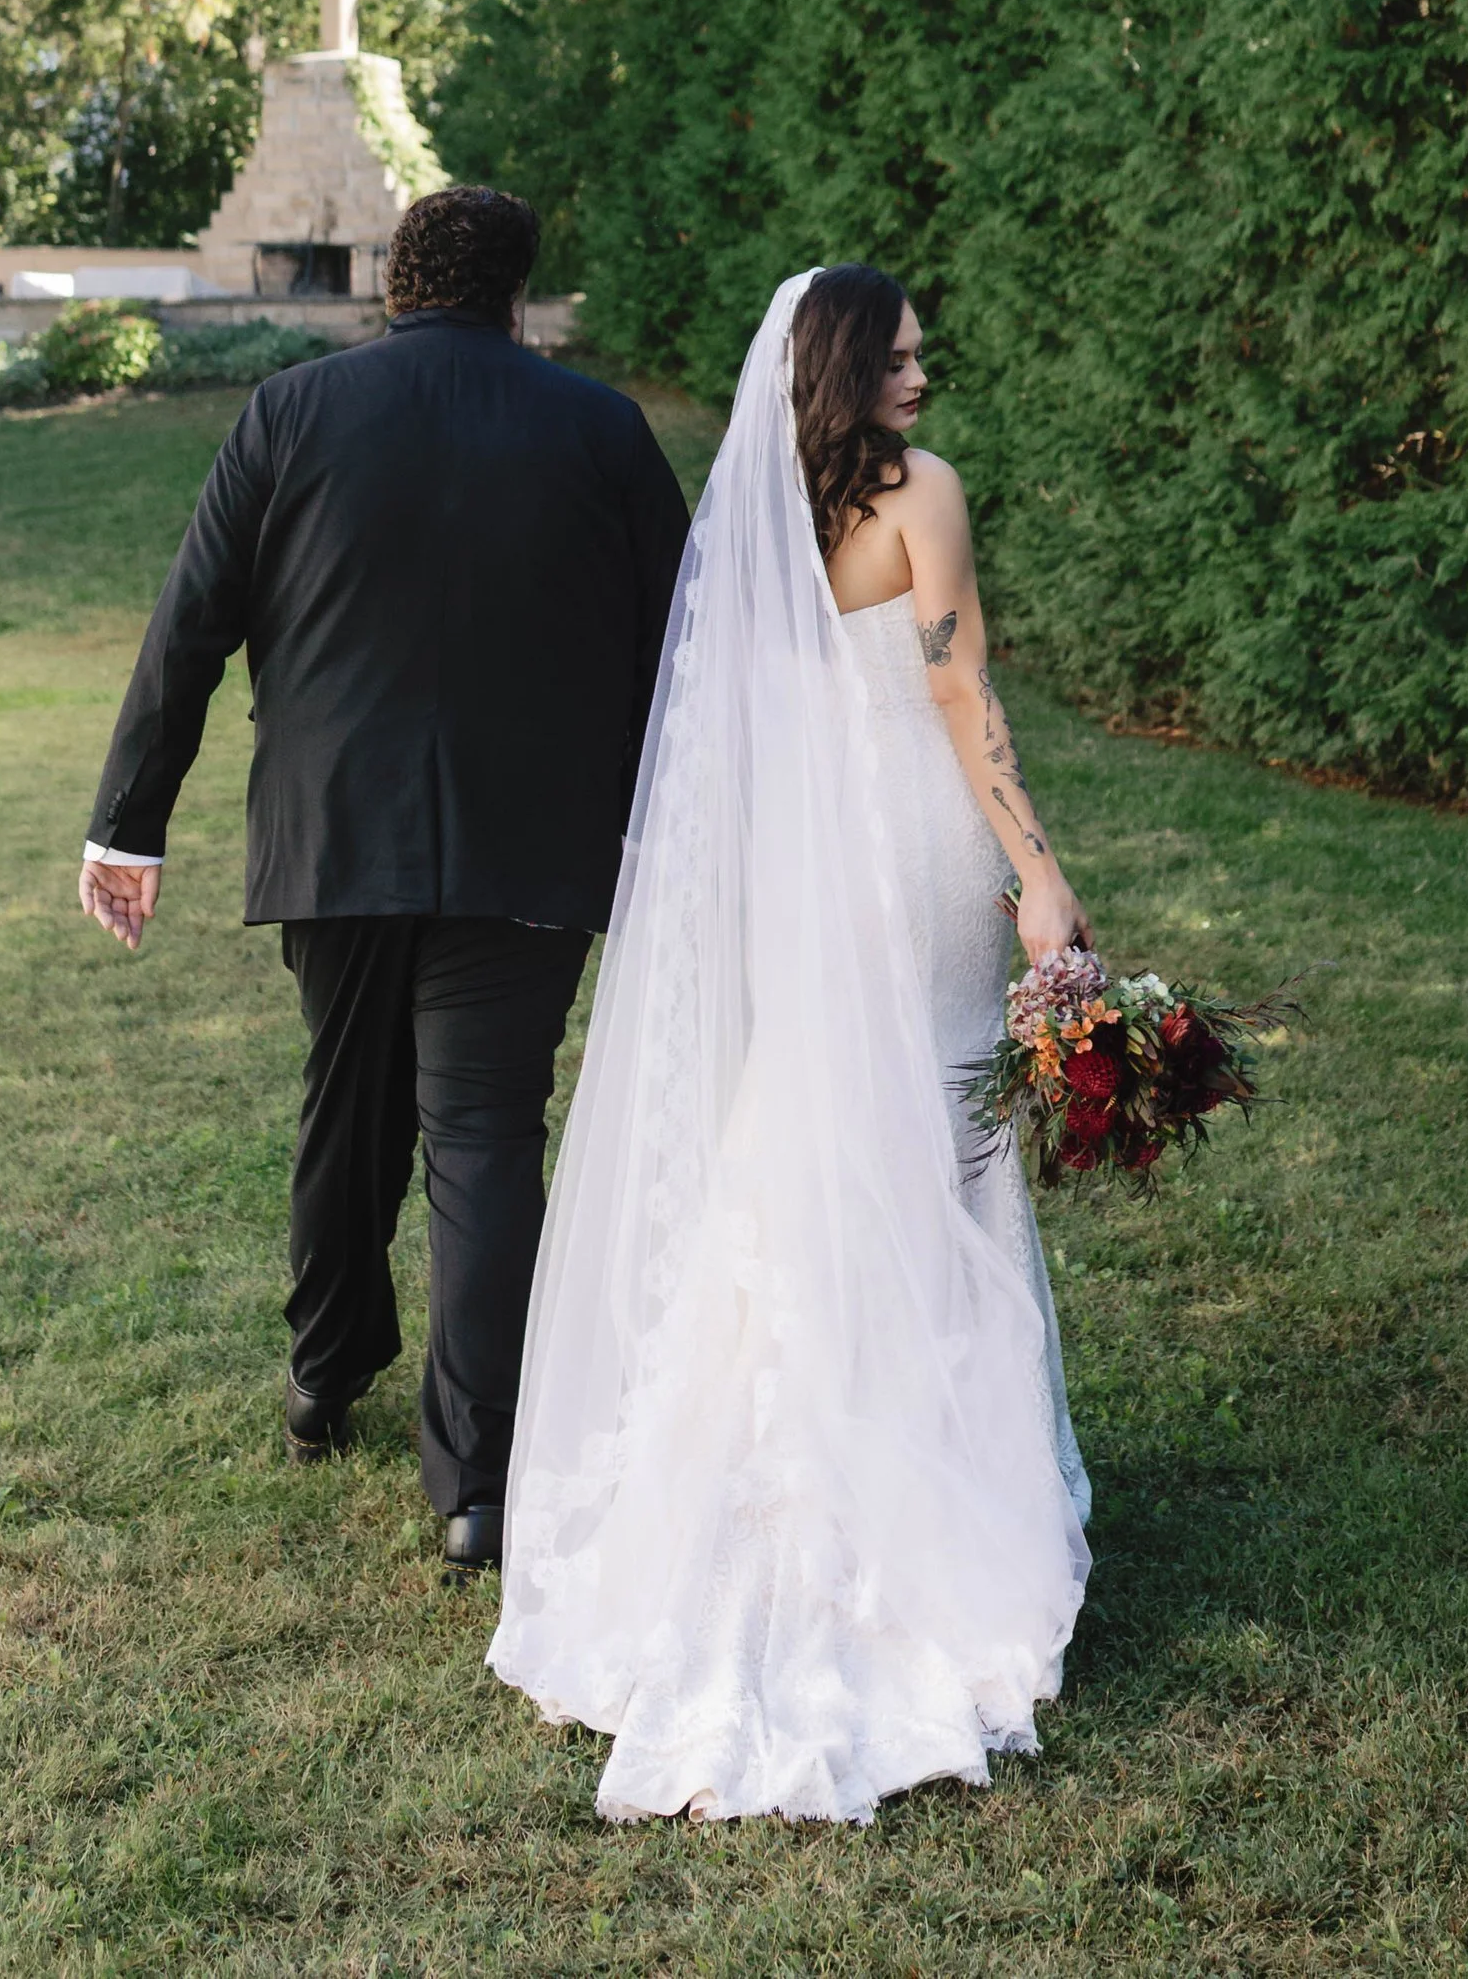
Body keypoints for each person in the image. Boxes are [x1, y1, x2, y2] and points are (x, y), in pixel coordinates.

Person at [489, 265, 1093, 1821]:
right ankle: (924, 1499)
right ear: (840, 366)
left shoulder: (763, 510)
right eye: (895, 353)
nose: (920, 370)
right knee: (940, 1144)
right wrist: (1035, 866)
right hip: (915, 852)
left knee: (818, 1132)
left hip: (816, 873)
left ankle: (749, 1482)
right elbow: (960, 687)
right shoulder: (922, 494)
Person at [76, 184, 691, 1572]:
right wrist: (671, 828)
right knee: (483, 1138)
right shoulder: (599, 428)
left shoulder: (289, 414)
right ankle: (477, 1482)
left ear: (393, 285)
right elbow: (684, 642)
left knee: (347, 1107)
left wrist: (130, 824)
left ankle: (325, 1369)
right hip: (531, 845)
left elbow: (190, 625)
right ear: (515, 295)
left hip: (333, 832)